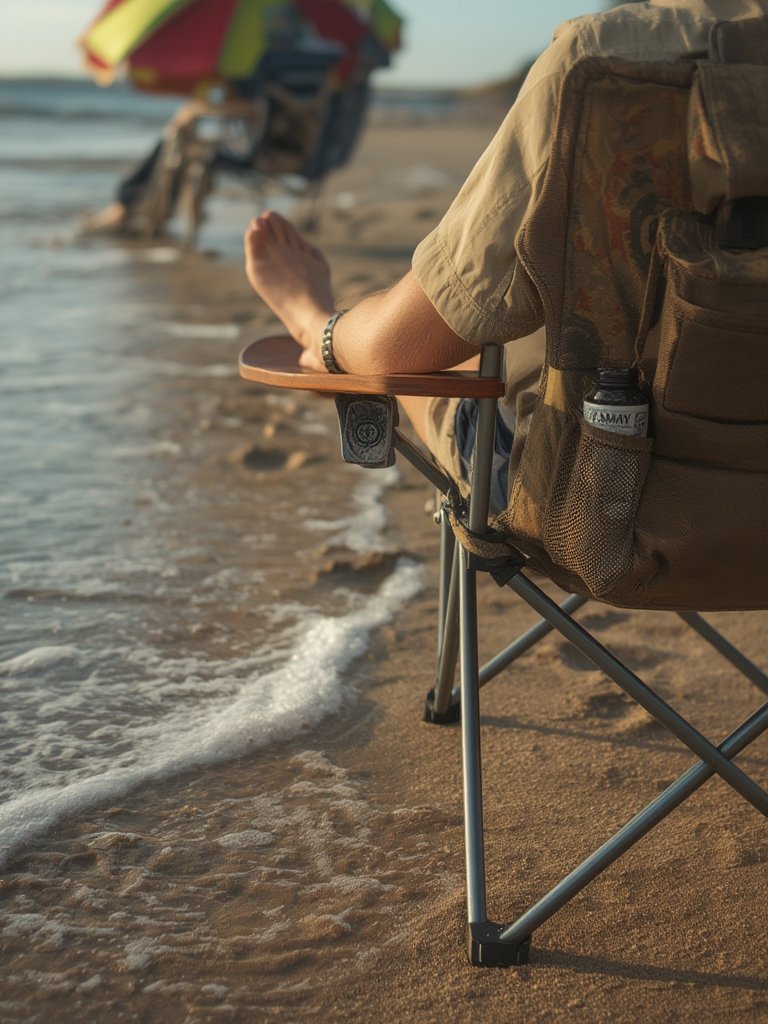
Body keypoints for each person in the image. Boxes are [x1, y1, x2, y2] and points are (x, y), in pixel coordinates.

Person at [244, 0, 768, 513]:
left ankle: (318, 330)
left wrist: (322, 329)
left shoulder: (605, 59)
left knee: (407, 350)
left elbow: (394, 353)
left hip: (599, 505)